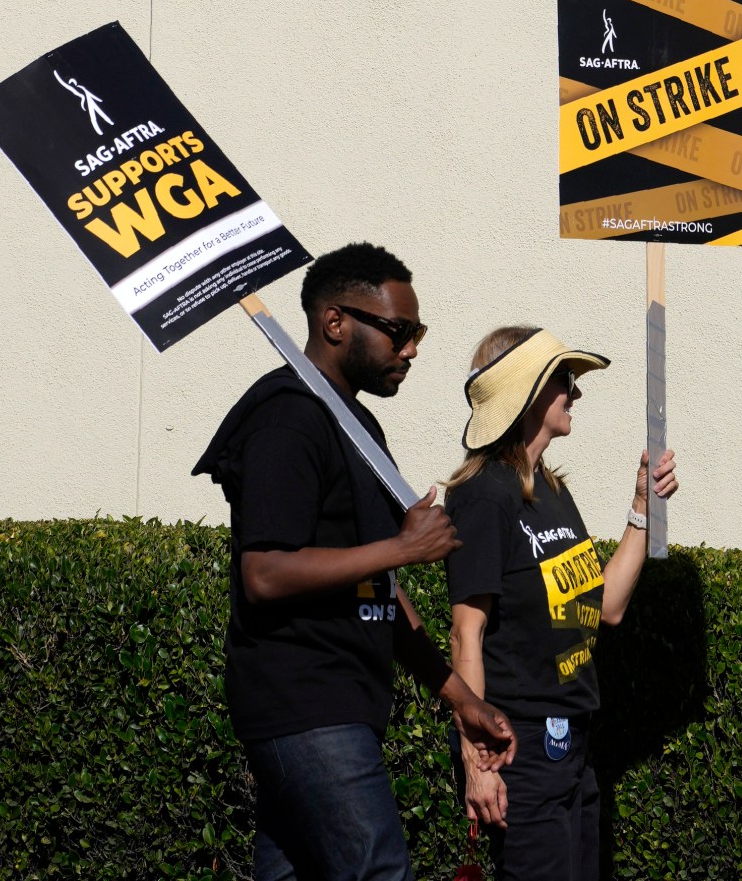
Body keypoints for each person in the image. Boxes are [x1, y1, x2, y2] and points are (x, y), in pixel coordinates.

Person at [195, 242, 516, 881]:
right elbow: (264, 572)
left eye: (416, 332)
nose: (412, 349)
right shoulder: (287, 418)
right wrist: (403, 546)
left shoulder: (358, 428)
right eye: (399, 331)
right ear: (335, 323)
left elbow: (374, 588)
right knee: (378, 871)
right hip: (306, 705)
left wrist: (458, 697)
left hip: (339, 706)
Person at [444, 322, 678, 880]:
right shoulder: (484, 498)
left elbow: (607, 606)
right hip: (517, 752)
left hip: (572, 748)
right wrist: (477, 764)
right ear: (527, 392)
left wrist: (642, 506)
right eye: (565, 379)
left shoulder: (550, 490)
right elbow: (465, 635)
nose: (576, 392)